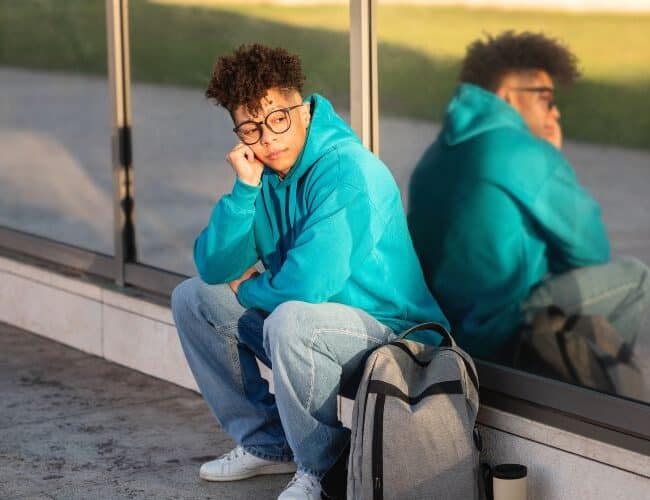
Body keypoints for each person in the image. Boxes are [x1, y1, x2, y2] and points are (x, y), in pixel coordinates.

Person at [171, 44, 448, 500]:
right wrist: (243, 191)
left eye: (277, 118)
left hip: (396, 333)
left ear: (301, 108)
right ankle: (268, 443)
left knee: (289, 318)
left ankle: (322, 471)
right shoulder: (264, 174)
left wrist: (252, 289)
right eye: (251, 128)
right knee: (195, 298)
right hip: (311, 327)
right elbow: (214, 265)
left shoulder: (350, 172)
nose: (268, 139)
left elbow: (308, 284)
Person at [408, 31, 649, 363]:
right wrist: (552, 156)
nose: (556, 113)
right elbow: (592, 252)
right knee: (634, 279)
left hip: (442, 336)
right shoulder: (525, 154)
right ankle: (594, 395)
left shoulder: (434, 156)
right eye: (546, 99)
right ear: (508, 96)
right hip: (502, 335)